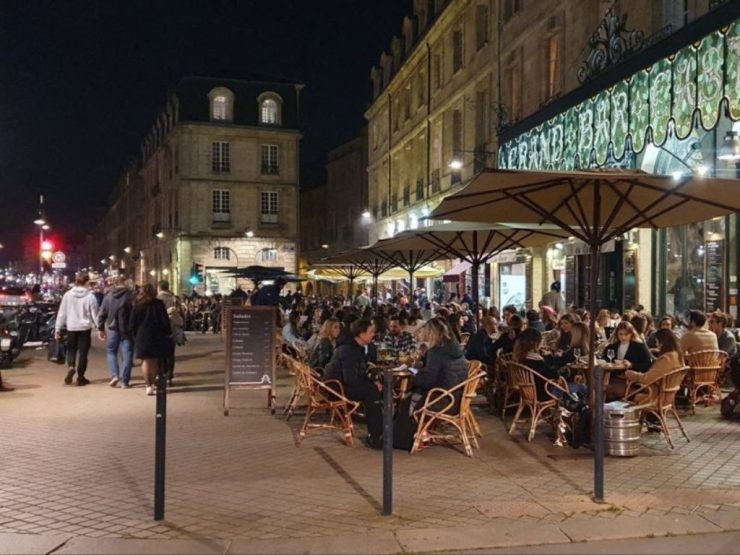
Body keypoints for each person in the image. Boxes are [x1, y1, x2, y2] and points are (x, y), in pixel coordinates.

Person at [325, 319, 383, 449]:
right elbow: (351, 379)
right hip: (338, 389)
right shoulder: (350, 351)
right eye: (371, 332)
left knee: (376, 390)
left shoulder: (352, 347)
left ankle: (380, 431)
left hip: (338, 385)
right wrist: (372, 384)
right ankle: (376, 435)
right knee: (372, 392)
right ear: (361, 334)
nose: (373, 334)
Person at [55, 273, 99, 386]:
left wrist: (57, 328)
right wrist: (100, 327)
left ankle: (71, 366)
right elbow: (95, 314)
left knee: (71, 349)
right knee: (83, 353)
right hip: (85, 328)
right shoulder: (90, 296)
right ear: (86, 283)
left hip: (71, 327)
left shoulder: (67, 295)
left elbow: (62, 313)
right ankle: (80, 377)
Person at [412, 318, 468, 401]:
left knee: (408, 397)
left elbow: (427, 382)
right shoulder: (456, 349)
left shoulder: (436, 351)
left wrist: (414, 374)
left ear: (432, 332)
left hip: (439, 399)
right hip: (457, 398)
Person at [130, 284, 171, 396]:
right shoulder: (158, 304)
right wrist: (167, 333)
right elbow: (165, 321)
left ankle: (148, 385)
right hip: (157, 335)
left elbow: (132, 322)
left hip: (142, 335)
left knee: (146, 361)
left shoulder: (138, 305)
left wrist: (133, 334)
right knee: (154, 361)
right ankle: (152, 383)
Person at [625, 328, 684, 404]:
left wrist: (632, 375)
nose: (656, 344)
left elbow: (648, 379)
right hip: (668, 394)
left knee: (622, 389)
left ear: (662, 343)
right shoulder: (677, 355)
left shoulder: (667, 359)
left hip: (657, 397)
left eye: (656, 342)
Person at [96, 276, 135, 388]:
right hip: (127, 329)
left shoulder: (108, 296)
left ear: (115, 284)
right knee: (127, 353)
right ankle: (125, 381)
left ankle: (114, 375)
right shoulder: (131, 295)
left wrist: (100, 328)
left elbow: (102, 313)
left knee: (111, 351)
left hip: (112, 328)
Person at [157, 280, 184, 385]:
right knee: (170, 354)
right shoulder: (174, 299)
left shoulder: (156, 299)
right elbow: (181, 313)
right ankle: (169, 375)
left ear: (159, 287)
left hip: (159, 329)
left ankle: (161, 374)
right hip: (172, 328)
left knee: (160, 353)